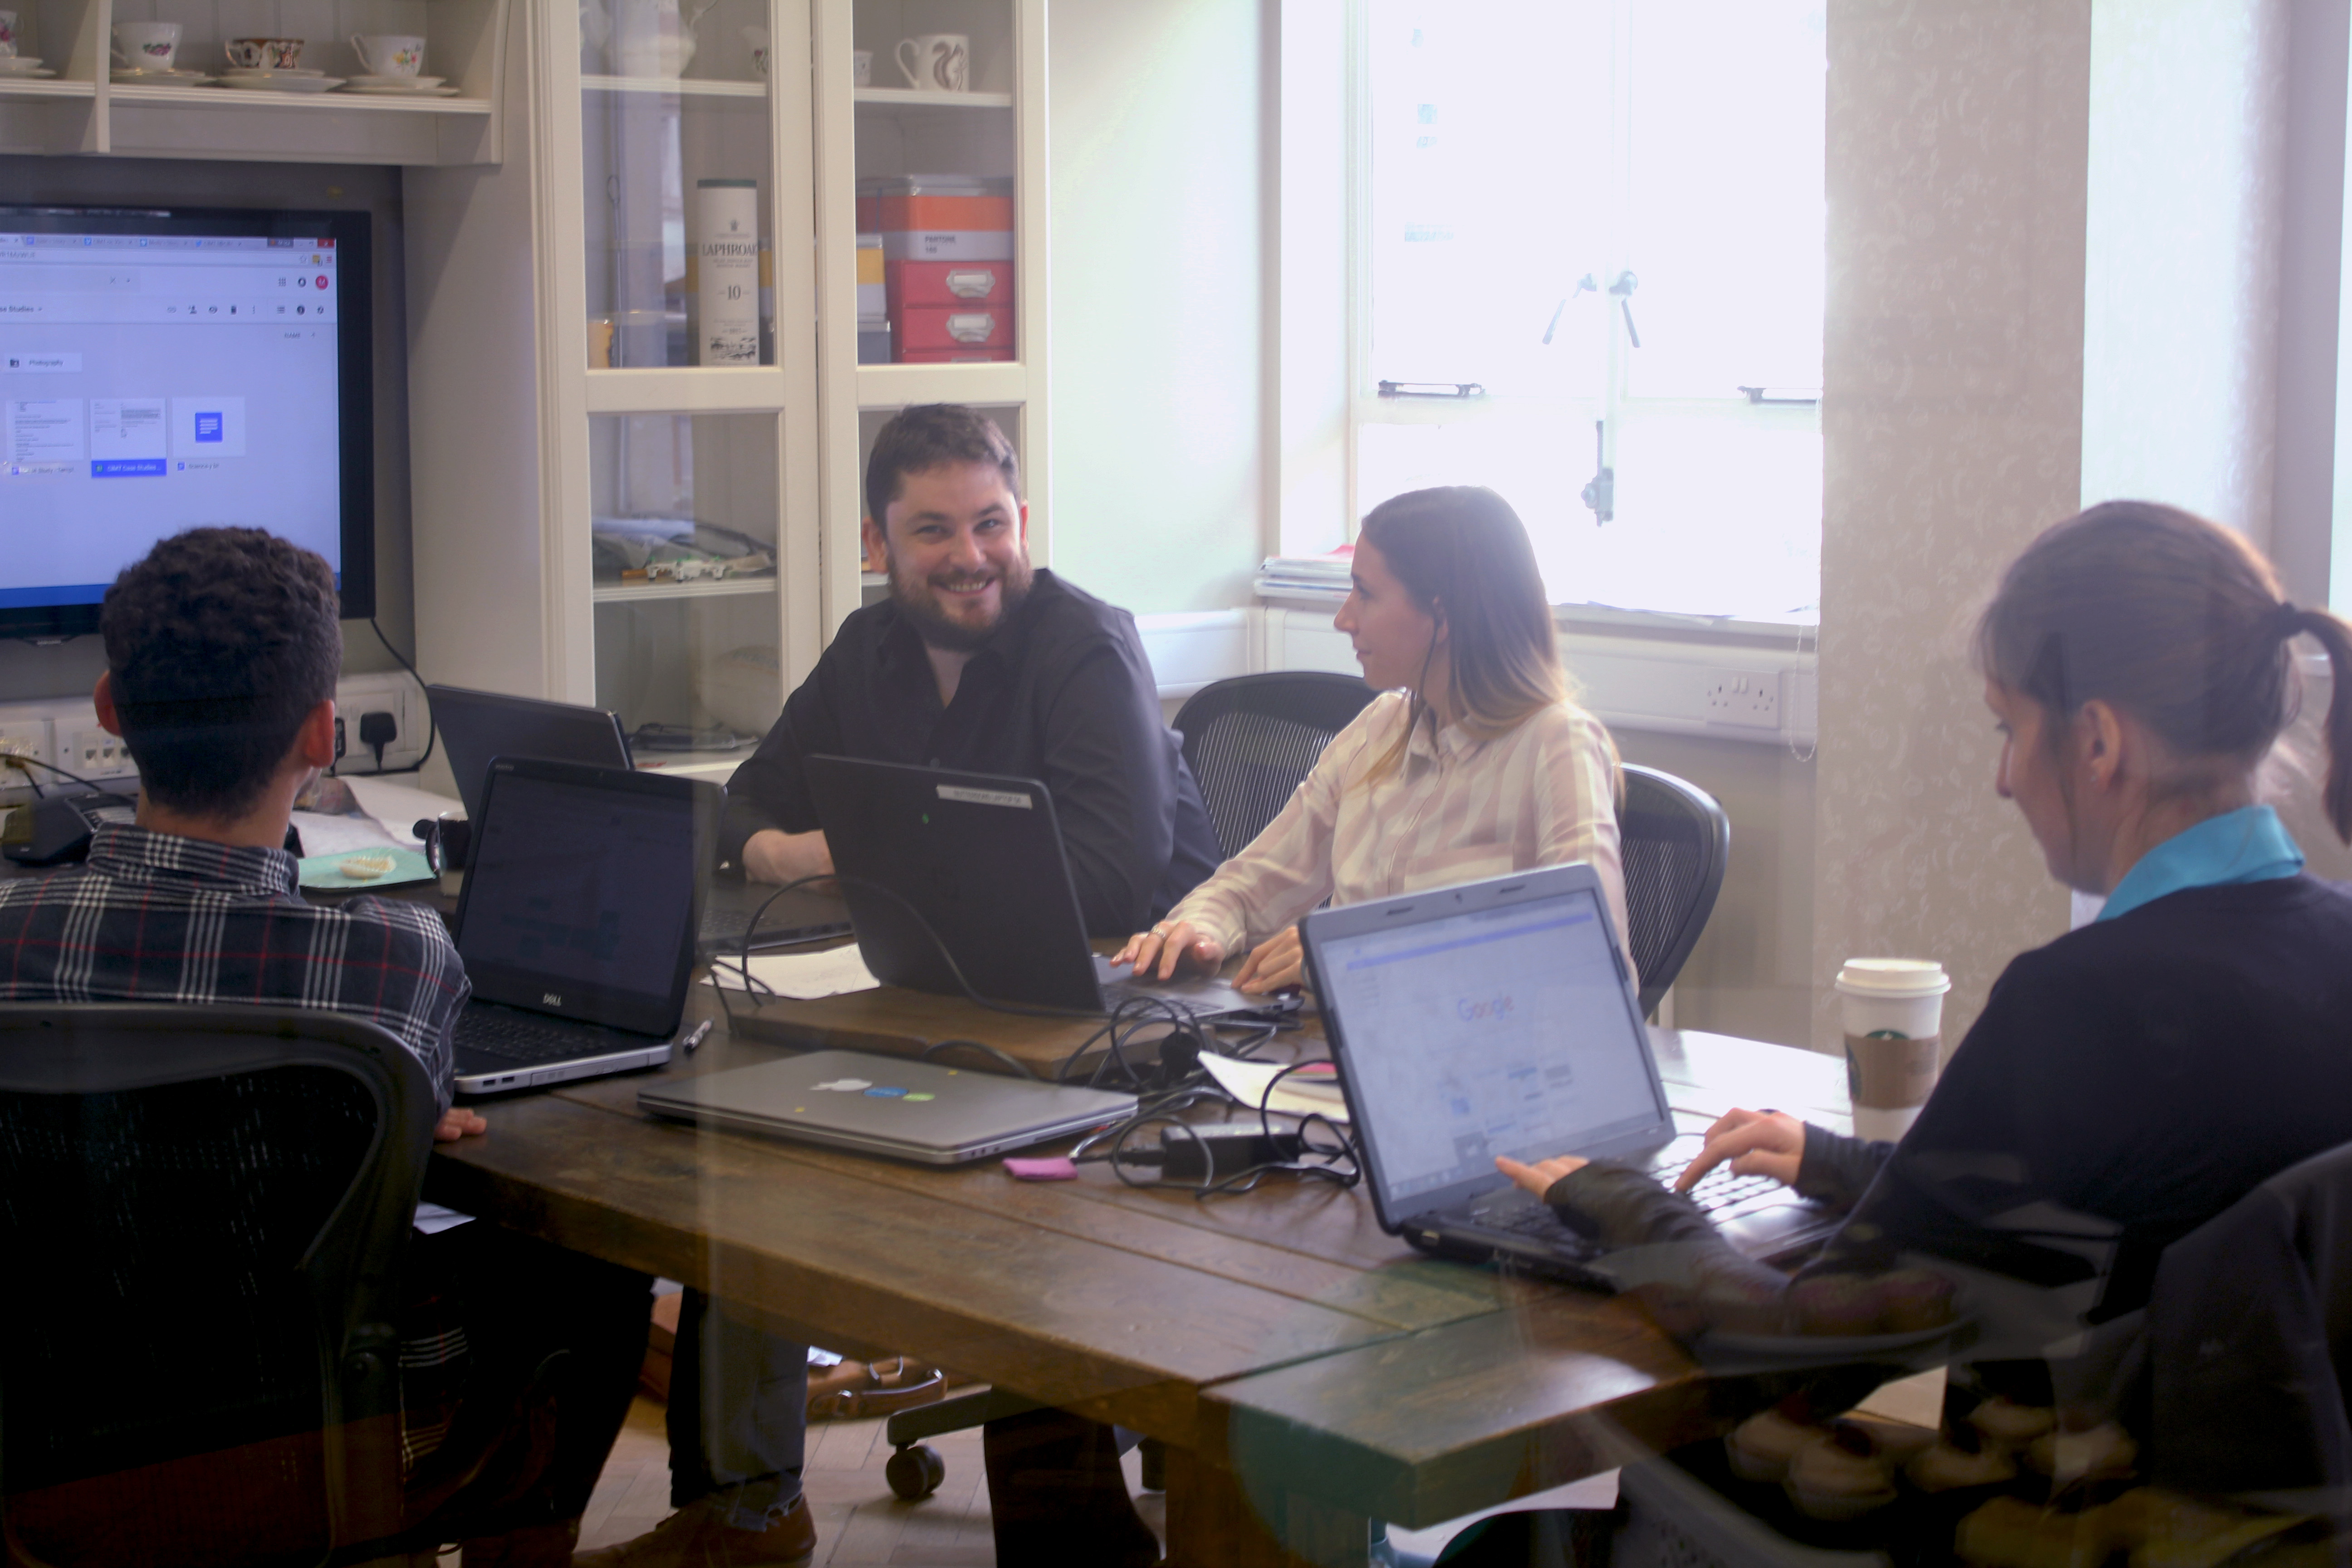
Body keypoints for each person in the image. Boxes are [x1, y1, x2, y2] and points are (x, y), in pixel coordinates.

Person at [1474, 501, 2352, 1561]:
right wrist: (1841, 1161)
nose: (2001, 775)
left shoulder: (2079, 1001)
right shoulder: (2328, 949)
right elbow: (2120, 1194)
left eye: (2005, 724)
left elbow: (1785, 1350)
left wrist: (1615, 1197)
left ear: (2097, 738)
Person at [595, 403, 1217, 1568]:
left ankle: (1073, 1525)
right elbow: (747, 803)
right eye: (932, 529)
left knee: (1034, 1206)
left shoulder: (1085, 647)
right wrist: (818, 849)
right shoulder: (867, 646)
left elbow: (1108, 878)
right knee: (742, 1133)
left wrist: (854, 850)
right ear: (879, 542)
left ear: (1021, 517)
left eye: (991, 522)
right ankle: (747, 1506)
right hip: (932, 984)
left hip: (1128, 1008)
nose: (969, 555)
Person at [0, 527, 652, 1568]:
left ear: (110, 711)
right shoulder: (398, 957)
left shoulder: (8, 932)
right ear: (321, 732)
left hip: (43, 1442)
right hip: (333, 1446)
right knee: (595, 1269)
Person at [1118, 484, 1629, 995]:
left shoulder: (1557, 744)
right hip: (1339, 1051)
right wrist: (1194, 931)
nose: (1345, 619)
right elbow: (1252, 884)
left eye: (1365, 593)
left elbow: (1591, 962)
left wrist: (1357, 955)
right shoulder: (1378, 729)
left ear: (1442, 616)